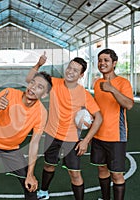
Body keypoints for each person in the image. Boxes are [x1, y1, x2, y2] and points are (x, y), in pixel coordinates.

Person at [26, 53, 103, 200]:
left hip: (72, 139)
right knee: (49, 166)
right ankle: (44, 192)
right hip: (51, 134)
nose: (70, 71)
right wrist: (38, 64)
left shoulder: (84, 94)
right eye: (69, 68)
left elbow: (98, 118)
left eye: (75, 70)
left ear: (81, 75)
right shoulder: (54, 83)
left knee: (74, 173)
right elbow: (30, 79)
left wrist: (85, 140)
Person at [0, 70, 53, 200]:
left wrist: (30, 174)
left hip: (12, 150)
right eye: (32, 82)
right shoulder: (9, 93)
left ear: (44, 95)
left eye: (39, 87)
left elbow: (34, 143)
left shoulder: (41, 113)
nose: (33, 87)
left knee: (30, 187)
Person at [90, 49, 134, 200]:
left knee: (116, 174)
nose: (102, 63)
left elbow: (129, 105)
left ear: (114, 63)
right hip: (97, 135)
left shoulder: (123, 82)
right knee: (102, 170)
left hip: (115, 136)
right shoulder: (97, 83)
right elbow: (97, 108)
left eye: (106, 60)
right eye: (100, 60)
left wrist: (112, 89)